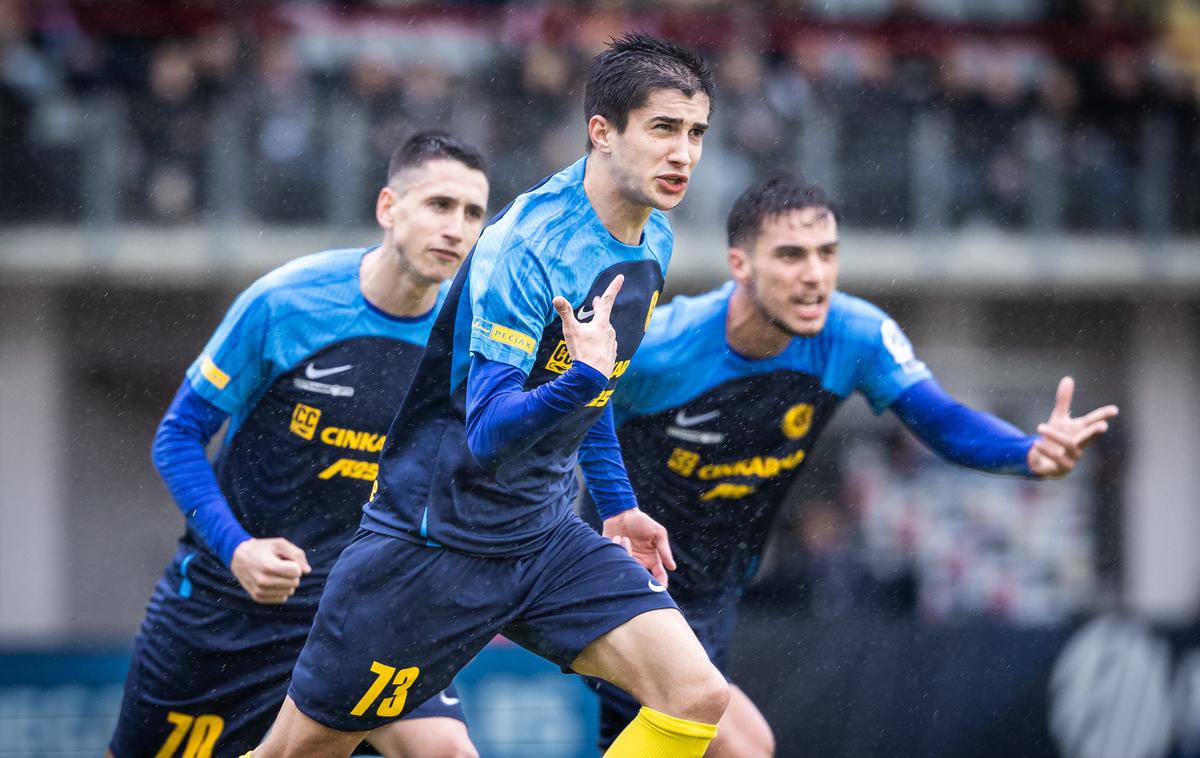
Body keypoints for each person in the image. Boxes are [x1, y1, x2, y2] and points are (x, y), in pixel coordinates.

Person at [247, 33, 728, 758]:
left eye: (695, 133)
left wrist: (619, 503)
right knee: (296, 753)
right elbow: (491, 430)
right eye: (663, 128)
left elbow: (588, 396)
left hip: (543, 538)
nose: (683, 153)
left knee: (696, 696)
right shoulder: (526, 248)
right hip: (430, 548)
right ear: (602, 131)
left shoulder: (651, 240)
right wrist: (583, 381)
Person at [591, 173, 1120, 757]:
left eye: (826, 254)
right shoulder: (666, 344)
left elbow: (940, 420)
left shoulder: (856, 336)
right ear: (739, 264)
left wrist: (1027, 454)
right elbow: (577, 413)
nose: (814, 275)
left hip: (714, 590)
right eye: (790, 255)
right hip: (629, 575)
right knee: (741, 747)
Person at [108, 131, 490, 758]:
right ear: (389, 208)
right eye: (440, 205)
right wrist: (238, 552)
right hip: (224, 611)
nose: (457, 227)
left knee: (445, 750)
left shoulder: (470, 334)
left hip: (362, 615)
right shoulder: (286, 302)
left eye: (474, 213)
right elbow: (178, 437)